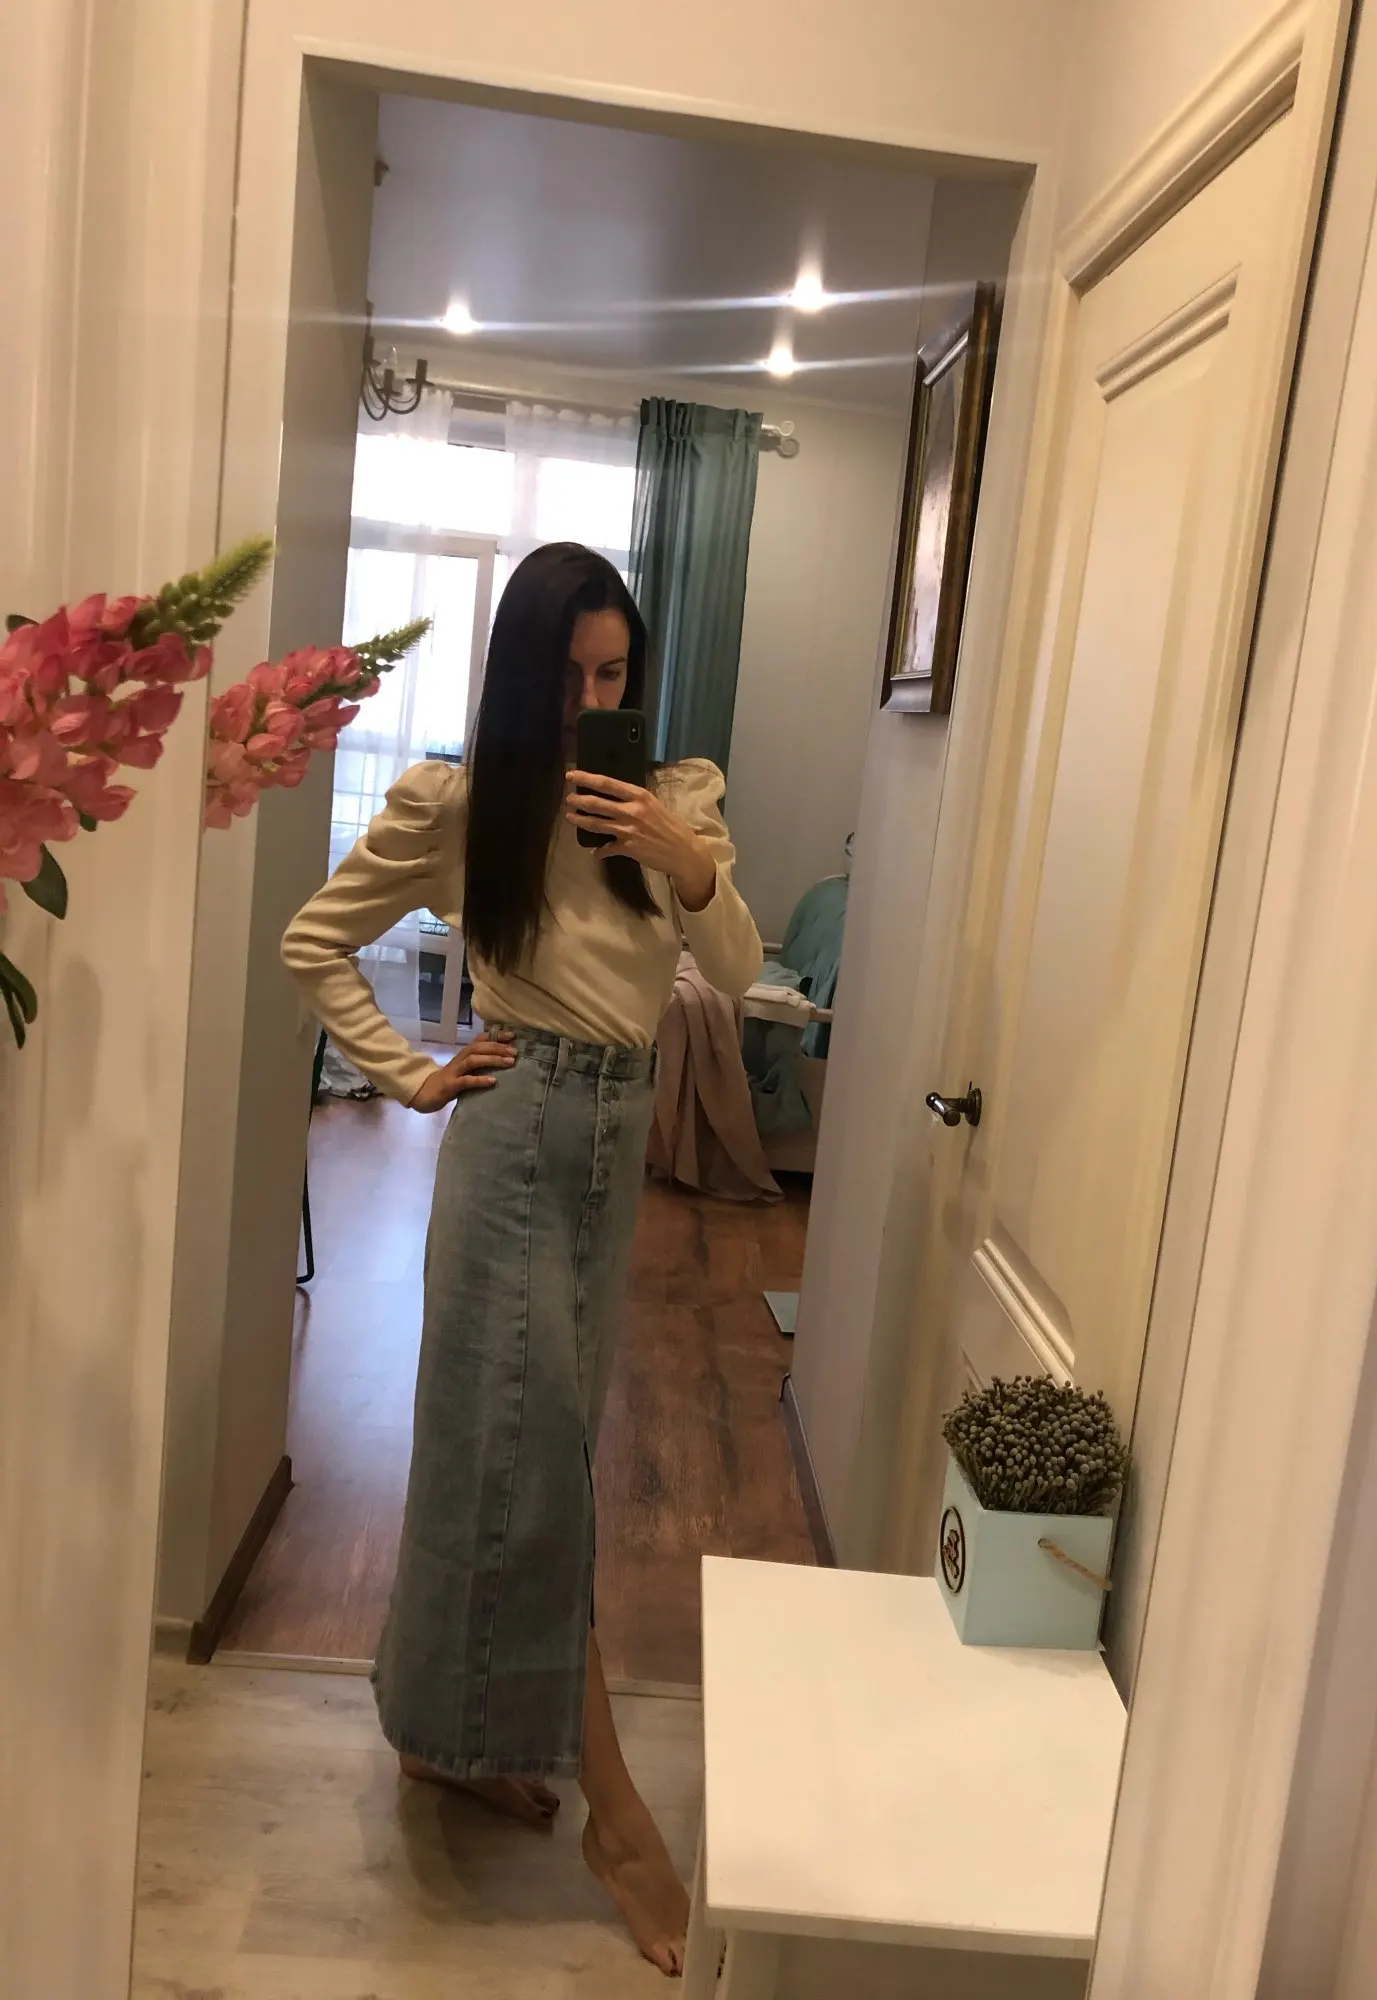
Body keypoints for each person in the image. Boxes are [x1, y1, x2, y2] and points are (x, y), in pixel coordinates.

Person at [281, 542, 763, 1975]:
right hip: (513, 1140)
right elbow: (316, 940)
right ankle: (617, 1816)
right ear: (519, 680)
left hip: (612, 1154)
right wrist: (411, 1074)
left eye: (613, 676)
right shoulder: (464, 805)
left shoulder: (677, 805)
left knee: (506, 1457)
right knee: (535, 1465)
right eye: (565, 678)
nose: (590, 704)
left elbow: (738, 974)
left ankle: (453, 1739)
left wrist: (684, 864)